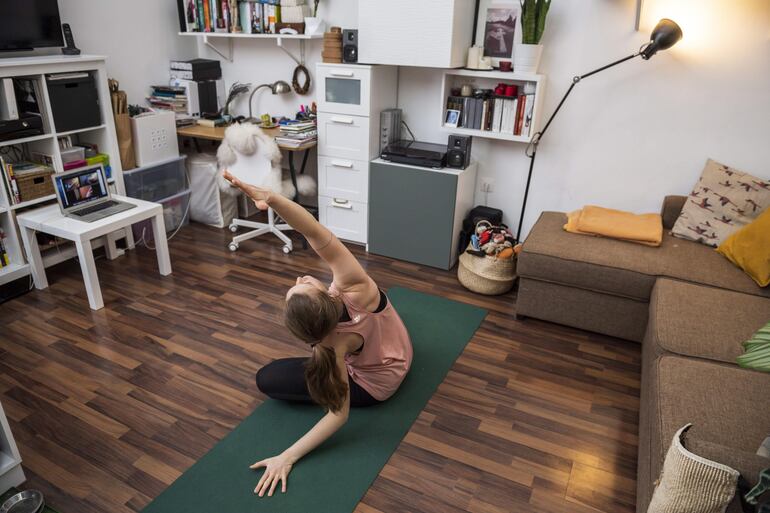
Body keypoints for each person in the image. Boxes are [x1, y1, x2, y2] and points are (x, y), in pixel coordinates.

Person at [223, 170, 413, 498]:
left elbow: (339, 416)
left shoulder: (327, 344)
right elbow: (312, 229)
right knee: (275, 377)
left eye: (297, 287)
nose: (299, 279)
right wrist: (270, 197)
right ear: (324, 296)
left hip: (380, 377)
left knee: (267, 378)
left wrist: (287, 457)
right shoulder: (356, 287)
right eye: (299, 287)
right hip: (391, 364)